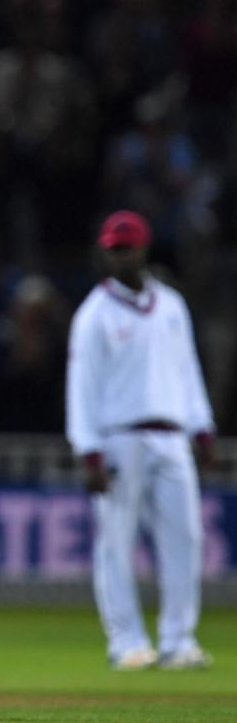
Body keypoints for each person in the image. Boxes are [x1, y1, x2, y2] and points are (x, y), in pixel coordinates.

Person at [66, 210, 216, 671]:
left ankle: (178, 640)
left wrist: (201, 425)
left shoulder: (171, 305)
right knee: (116, 540)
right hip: (118, 438)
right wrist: (87, 449)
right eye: (113, 249)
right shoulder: (94, 314)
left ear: (144, 248)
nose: (120, 256)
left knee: (185, 538)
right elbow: (82, 385)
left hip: (170, 434)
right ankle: (126, 641)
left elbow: (187, 368)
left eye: (126, 247)